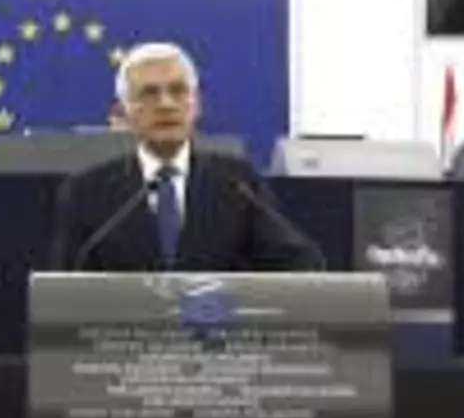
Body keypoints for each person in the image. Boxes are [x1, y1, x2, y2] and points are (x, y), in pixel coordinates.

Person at [52, 41, 323, 272]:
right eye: (149, 93)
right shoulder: (87, 191)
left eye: (178, 90)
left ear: (197, 105)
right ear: (123, 113)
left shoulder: (237, 183)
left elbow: (299, 263)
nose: (166, 104)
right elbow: (64, 289)